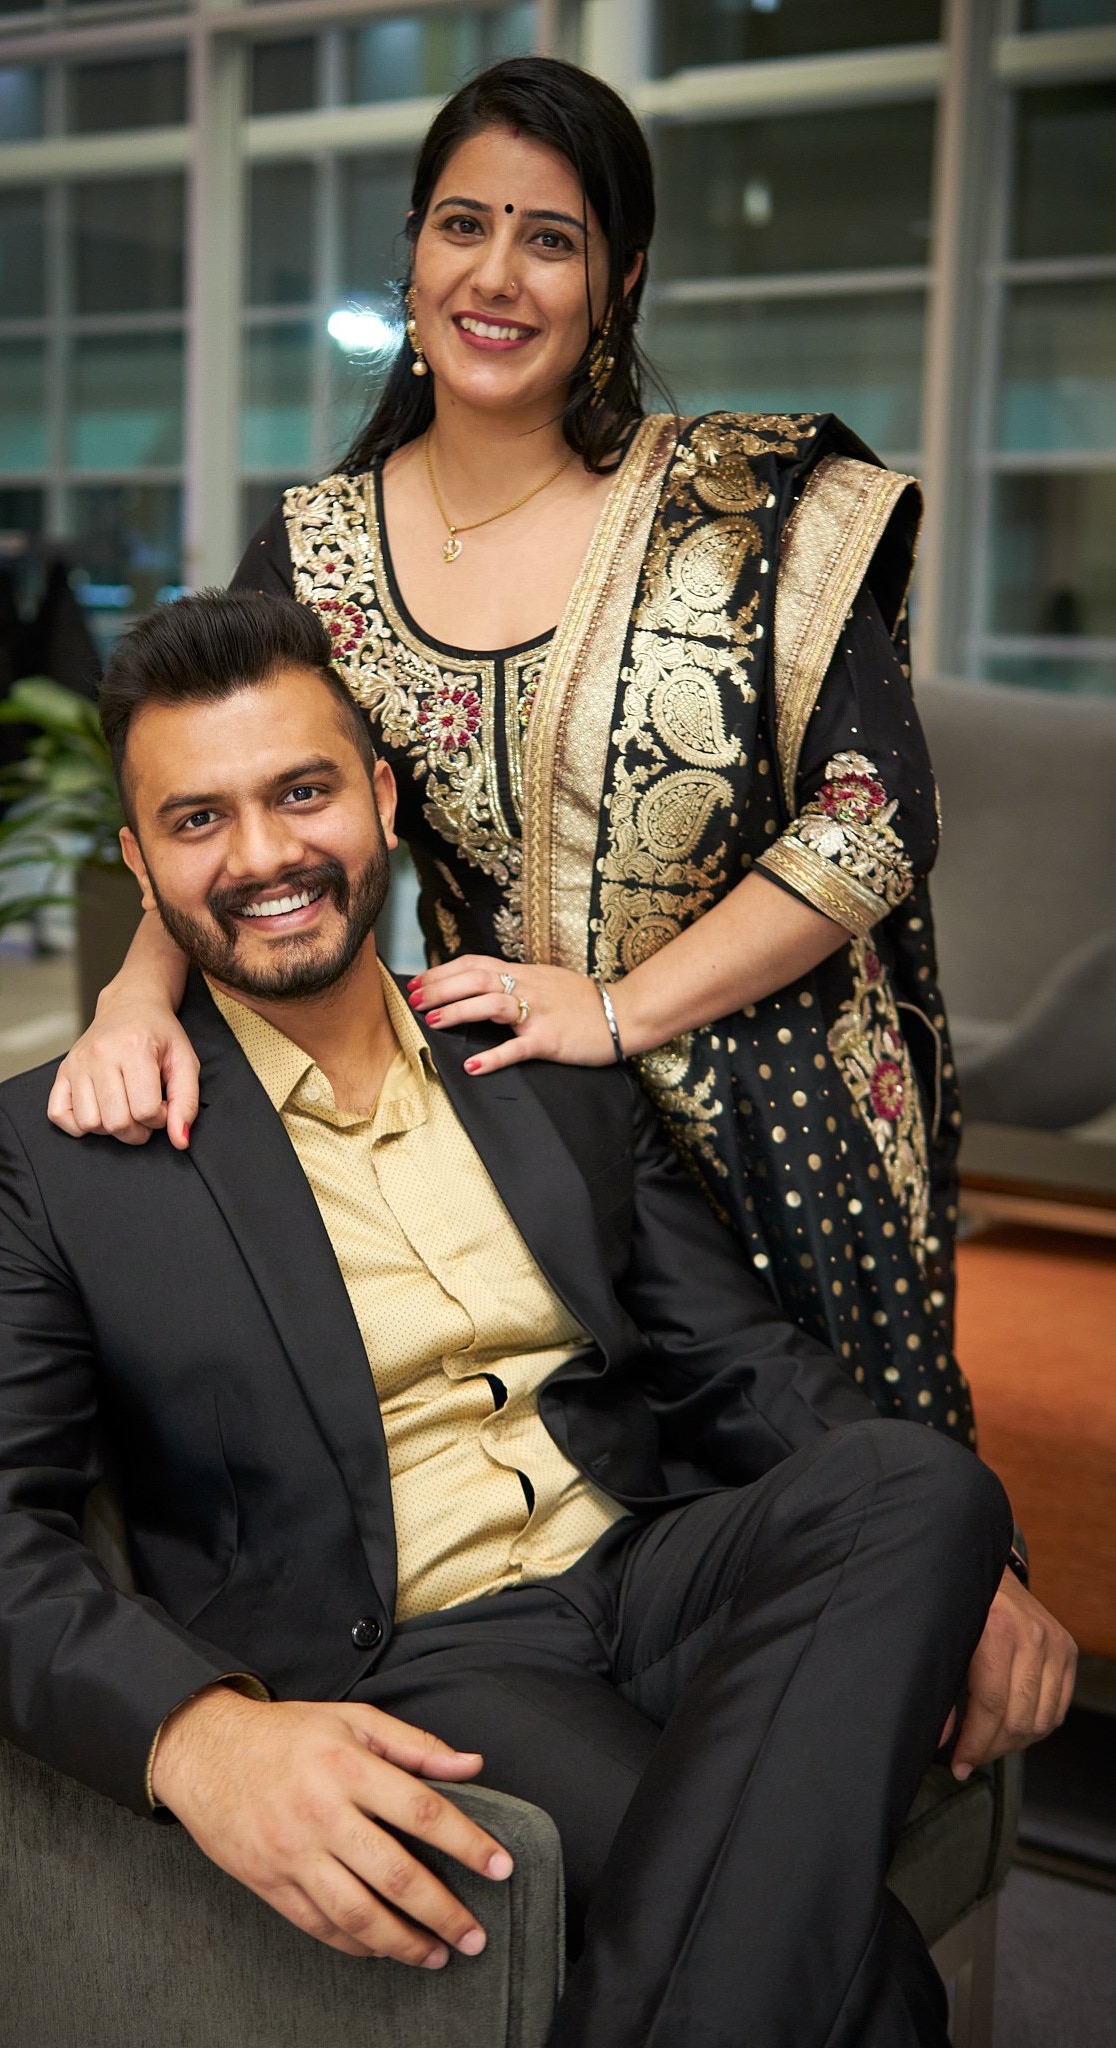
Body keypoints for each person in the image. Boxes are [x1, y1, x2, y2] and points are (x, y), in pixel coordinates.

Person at [0, 589, 1074, 2048]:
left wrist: (978, 1569)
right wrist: (194, 1734)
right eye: (196, 822)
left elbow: (738, 1361)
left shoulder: (534, 1054)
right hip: (425, 1650)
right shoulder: (61, 1145)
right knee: (853, 1975)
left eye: (300, 792)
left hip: (649, 1571)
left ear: (377, 799)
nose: (261, 856)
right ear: (139, 863)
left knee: (918, 1482)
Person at [50, 58, 973, 1448]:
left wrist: (621, 1012)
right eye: (461, 224)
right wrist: (133, 999)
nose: (499, 274)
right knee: (588, 1525)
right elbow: (215, 788)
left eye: (552, 239)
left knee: (858, 1511)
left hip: (788, 1113)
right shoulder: (318, 547)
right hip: (524, 1123)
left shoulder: (742, 506)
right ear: (413, 258)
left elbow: (874, 816)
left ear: (617, 281)